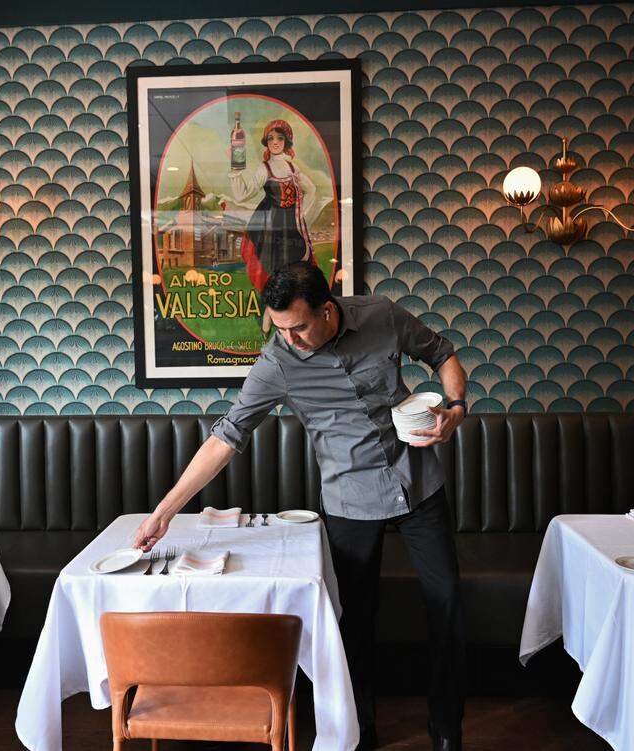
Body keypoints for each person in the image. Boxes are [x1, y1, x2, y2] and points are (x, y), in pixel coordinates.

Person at [134, 261, 468, 751]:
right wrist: (163, 511)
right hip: (350, 499)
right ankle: (359, 729)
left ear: (327, 309)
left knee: (448, 604)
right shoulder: (277, 363)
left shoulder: (381, 315)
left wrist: (455, 408)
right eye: (280, 329)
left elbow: (442, 353)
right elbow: (226, 437)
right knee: (354, 620)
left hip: (419, 484)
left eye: (298, 327)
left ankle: (446, 727)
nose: (289, 339)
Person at [229, 119, 326, 331]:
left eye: (280, 138)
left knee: (295, 275)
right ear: (266, 141)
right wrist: (236, 170)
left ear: (286, 141)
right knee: (273, 276)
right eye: (271, 138)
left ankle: (293, 322)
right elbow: (242, 195)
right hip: (271, 230)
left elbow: (312, 190)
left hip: (292, 229)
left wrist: (303, 215)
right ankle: (269, 318)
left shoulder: (293, 167)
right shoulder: (265, 168)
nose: (275, 142)